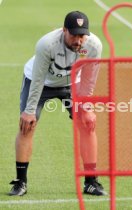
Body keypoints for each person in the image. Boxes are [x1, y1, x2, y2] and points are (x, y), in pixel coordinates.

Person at [9, 11, 107, 196]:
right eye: (74, 35)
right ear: (64, 30)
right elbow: (38, 79)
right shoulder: (47, 44)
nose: (78, 40)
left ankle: (91, 181)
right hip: (41, 82)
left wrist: (86, 107)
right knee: (27, 126)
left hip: (71, 83)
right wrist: (29, 111)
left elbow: (89, 79)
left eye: (82, 35)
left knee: (87, 125)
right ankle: (20, 182)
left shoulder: (93, 46)